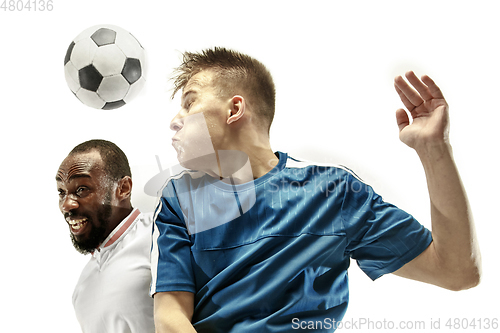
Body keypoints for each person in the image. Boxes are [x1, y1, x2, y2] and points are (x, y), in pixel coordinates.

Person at [150, 47, 481, 332]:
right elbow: (170, 315)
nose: (174, 121)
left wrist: (434, 150)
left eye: (189, 103)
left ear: (234, 110)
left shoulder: (332, 191)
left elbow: (457, 271)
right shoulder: (178, 200)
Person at [56, 139, 155, 333]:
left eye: (81, 190)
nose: (66, 205)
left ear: (123, 188)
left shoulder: (162, 232)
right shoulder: (82, 288)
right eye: (61, 192)